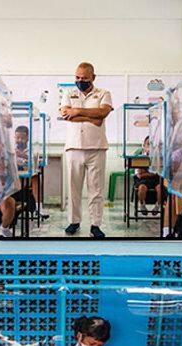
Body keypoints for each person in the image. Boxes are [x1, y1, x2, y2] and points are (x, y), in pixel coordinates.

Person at [60, 62, 113, 238]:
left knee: (96, 189)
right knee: (73, 188)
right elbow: (66, 114)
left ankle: (95, 225)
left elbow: (103, 113)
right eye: (77, 77)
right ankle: (74, 221)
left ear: (93, 78)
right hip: (73, 148)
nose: (80, 81)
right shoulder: (69, 93)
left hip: (97, 148)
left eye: (84, 78)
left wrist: (77, 111)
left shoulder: (103, 93)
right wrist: (92, 117)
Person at [15, 125, 49, 220]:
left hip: (25, 179)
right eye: (17, 137)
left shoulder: (32, 149)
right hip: (14, 179)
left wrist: (23, 157)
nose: (19, 140)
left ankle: (39, 207)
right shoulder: (11, 149)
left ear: (27, 138)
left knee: (35, 177)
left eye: (22, 138)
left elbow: (34, 161)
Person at [133, 136, 162, 215]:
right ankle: (142, 205)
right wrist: (151, 173)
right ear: (144, 146)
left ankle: (157, 206)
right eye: (148, 144)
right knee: (142, 188)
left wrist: (145, 173)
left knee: (160, 188)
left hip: (155, 179)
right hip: (143, 180)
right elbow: (139, 174)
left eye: (153, 144)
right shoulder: (139, 156)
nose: (150, 147)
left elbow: (158, 172)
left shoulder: (159, 157)